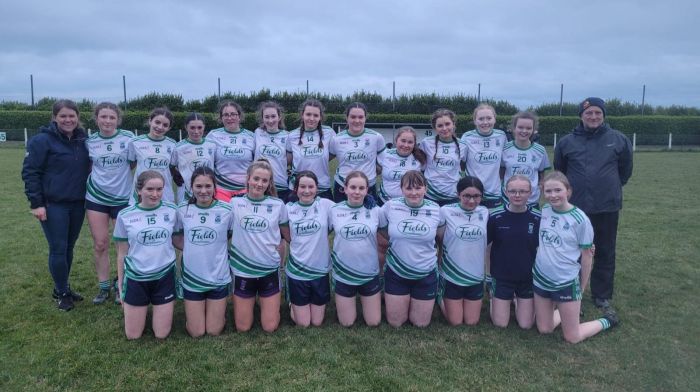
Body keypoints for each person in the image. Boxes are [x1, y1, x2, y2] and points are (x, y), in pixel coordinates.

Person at [554, 97, 633, 311]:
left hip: (607, 206)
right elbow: (560, 171)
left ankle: (602, 295)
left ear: (604, 115)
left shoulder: (618, 139)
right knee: (572, 251)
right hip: (575, 208)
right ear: (581, 116)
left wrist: (610, 186)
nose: (593, 116)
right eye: (588, 113)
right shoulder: (566, 142)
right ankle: (572, 289)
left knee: (605, 250)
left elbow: (625, 171)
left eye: (598, 112)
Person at [533, 171, 619, 344]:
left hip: (565, 280)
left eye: (558, 190)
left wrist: (581, 287)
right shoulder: (545, 210)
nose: (553, 195)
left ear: (568, 191)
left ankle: (607, 320)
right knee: (544, 329)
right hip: (541, 278)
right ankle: (570, 312)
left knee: (572, 337)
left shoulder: (580, 219)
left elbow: (587, 257)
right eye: (548, 191)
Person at [22, 99, 90, 311]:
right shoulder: (42, 141)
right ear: (54, 118)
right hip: (53, 205)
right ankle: (61, 292)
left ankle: (63, 287)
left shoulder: (83, 139)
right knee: (58, 248)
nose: (68, 120)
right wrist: (37, 203)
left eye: (72, 116)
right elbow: (30, 172)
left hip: (78, 203)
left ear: (78, 117)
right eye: (63, 116)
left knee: (69, 248)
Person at [113, 170, 179, 339]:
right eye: (150, 189)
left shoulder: (172, 210)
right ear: (139, 191)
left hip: (164, 276)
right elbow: (121, 253)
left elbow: (179, 240)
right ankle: (137, 306)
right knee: (133, 335)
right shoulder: (125, 215)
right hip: (136, 277)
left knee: (161, 334)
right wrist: (121, 288)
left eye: (159, 189)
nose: (155, 194)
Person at [228, 159, 289, 332]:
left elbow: (285, 237)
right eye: (256, 179)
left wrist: (281, 261)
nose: (259, 184)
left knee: (270, 327)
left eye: (264, 180)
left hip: (268, 269)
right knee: (243, 327)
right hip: (243, 270)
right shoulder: (234, 204)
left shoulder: (278, 206)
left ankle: (285, 304)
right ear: (248, 179)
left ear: (270, 183)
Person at [172, 167, 232, 337]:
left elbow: (230, 235)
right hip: (193, 276)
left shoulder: (227, 210)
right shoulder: (183, 209)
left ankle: (218, 315)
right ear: (191, 187)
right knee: (196, 332)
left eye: (208, 186)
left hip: (218, 276)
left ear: (215, 187)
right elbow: (176, 238)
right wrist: (195, 248)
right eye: (198, 186)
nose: (203, 191)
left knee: (214, 331)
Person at [85, 102, 135, 304]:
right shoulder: (89, 142)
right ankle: (104, 286)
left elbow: (133, 163)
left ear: (118, 120)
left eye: (111, 117)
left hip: (123, 198)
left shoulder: (128, 138)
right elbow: (88, 166)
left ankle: (121, 284)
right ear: (96, 119)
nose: (107, 121)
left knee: (123, 245)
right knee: (100, 244)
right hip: (96, 198)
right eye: (103, 117)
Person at [381, 171, 444, 327]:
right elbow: (382, 232)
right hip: (396, 272)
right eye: (409, 188)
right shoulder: (390, 206)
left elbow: (441, 238)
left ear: (426, 188)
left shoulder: (436, 209)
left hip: (425, 272)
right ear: (401, 189)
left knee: (420, 323)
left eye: (418, 188)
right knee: (396, 322)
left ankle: (434, 295)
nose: (414, 193)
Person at [330, 171, 386, 327]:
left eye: (361, 188)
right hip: (343, 273)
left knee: (374, 322)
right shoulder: (334, 210)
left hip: (369, 272)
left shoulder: (376, 211)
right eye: (353, 187)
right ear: (345, 189)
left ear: (367, 190)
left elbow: (386, 236)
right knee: (347, 323)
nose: (356, 192)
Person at [487, 175, 540, 329]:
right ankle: (495, 297)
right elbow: (488, 246)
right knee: (500, 324)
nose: (517, 195)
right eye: (513, 191)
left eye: (523, 191)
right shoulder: (495, 216)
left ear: (531, 192)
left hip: (527, 277)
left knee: (526, 325)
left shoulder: (537, 217)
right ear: (506, 191)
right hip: (502, 276)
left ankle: (518, 300)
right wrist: (488, 275)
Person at [437, 176, 489, 326]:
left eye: (476, 196)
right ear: (458, 194)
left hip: (475, 276)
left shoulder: (484, 212)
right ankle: (439, 296)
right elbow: (439, 239)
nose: (471, 201)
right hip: (451, 275)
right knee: (456, 322)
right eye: (467, 195)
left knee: (472, 322)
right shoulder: (445, 211)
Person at [284, 171, 334, 327]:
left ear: (317, 188)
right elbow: (285, 233)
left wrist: (366, 199)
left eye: (311, 186)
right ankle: (293, 302)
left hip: (320, 270)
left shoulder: (326, 205)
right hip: (297, 271)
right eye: (302, 186)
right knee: (303, 324)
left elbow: (349, 208)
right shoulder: (287, 209)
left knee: (317, 322)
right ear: (296, 189)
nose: (306, 191)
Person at [329, 102, 385, 202]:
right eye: (353, 117)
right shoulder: (336, 139)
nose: (357, 120)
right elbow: (324, 159)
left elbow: (384, 162)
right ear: (347, 118)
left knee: (369, 217)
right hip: (343, 186)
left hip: (368, 188)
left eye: (360, 117)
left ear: (365, 118)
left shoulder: (376, 137)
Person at [286, 99, 335, 200]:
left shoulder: (329, 133)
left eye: (316, 115)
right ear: (302, 115)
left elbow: (333, 153)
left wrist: (319, 159)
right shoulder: (292, 135)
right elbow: (288, 160)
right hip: (298, 189)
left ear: (320, 117)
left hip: (322, 189)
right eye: (308, 114)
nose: (311, 118)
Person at [207, 101, 255, 202]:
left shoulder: (251, 136)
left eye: (233, 114)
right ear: (221, 118)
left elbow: (257, 163)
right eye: (226, 115)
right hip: (221, 189)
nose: (230, 118)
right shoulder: (213, 135)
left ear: (239, 116)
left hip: (245, 189)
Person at [461, 104, 507, 209]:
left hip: (494, 193)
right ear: (475, 121)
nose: (485, 122)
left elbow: (504, 164)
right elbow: (460, 162)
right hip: (472, 192)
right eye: (481, 119)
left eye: (489, 118)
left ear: (495, 119)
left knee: (493, 225)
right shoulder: (467, 137)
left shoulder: (501, 136)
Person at [128, 107, 177, 204]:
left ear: (169, 128)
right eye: (157, 122)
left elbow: (172, 168)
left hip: (165, 194)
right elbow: (131, 165)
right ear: (150, 120)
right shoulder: (135, 142)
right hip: (142, 193)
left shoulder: (172, 144)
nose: (160, 127)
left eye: (165, 125)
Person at [500, 112, 550, 208]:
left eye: (528, 128)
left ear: (534, 130)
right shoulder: (505, 148)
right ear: (514, 128)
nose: (524, 131)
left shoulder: (540, 150)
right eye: (520, 127)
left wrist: (539, 188)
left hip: (531, 200)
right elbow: (501, 172)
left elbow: (542, 175)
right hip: (508, 199)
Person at [420, 109, 466, 206]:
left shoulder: (463, 145)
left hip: (453, 195)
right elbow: (422, 167)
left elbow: (464, 166)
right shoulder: (426, 143)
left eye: (447, 124)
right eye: (440, 125)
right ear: (435, 128)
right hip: (430, 195)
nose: (444, 128)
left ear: (453, 124)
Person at [171, 112, 216, 203]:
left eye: (199, 127)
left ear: (204, 127)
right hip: (185, 192)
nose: (196, 131)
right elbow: (171, 165)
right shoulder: (178, 147)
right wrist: (175, 174)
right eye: (192, 127)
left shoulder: (212, 144)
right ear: (186, 127)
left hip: (207, 190)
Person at [377, 126, 427, 205]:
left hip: (409, 204)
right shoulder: (384, 154)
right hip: (384, 202)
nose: (406, 145)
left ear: (414, 144)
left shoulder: (420, 158)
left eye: (410, 142)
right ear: (396, 140)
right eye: (403, 141)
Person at [254, 101, 290, 201]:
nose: (270, 120)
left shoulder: (287, 136)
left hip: (280, 186)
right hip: (259, 185)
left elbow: (290, 160)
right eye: (267, 117)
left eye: (273, 116)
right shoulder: (257, 133)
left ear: (279, 117)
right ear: (262, 118)